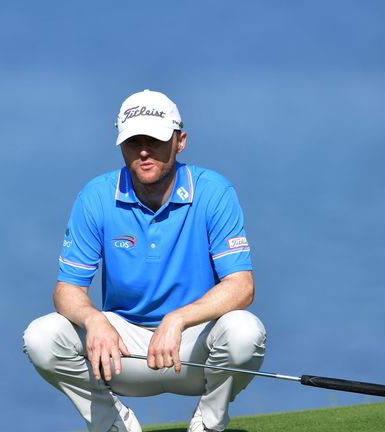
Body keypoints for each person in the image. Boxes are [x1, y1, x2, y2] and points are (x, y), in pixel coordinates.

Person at [22, 89, 266, 432]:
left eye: (154, 139)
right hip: (122, 351)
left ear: (180, 141)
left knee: (244, 331)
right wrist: (93, 320)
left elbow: (242, 287)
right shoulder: (96, 196)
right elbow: (67, 289)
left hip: (192, 347)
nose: (144, 150)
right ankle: (113, 426)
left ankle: (208, 425)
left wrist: (177, 319)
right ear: (122, 145)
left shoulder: (214, 192)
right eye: (134, 141)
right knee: (42, 336)